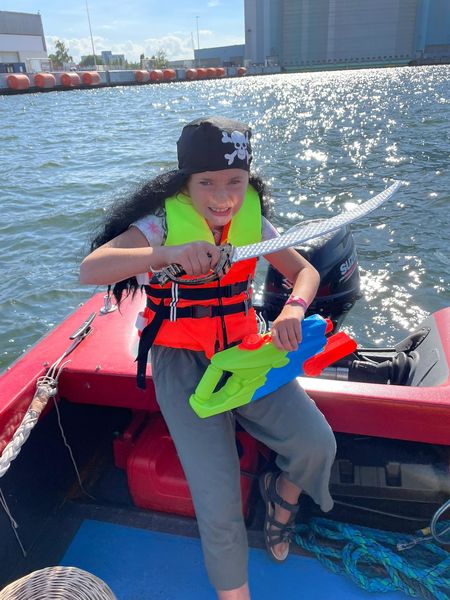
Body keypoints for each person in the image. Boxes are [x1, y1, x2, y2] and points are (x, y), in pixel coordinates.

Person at [80, 116, 336, 600]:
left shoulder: (254, 222)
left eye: (235, 181)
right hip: (182, 363)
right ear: (186, 181)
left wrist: (294, 308)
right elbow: (92, 269)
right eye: (207, 184)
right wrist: (167, 253)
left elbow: (304, 272)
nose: (224, 198)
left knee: (316, 443)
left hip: (244, 353)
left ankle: (281, 499)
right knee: (218, 500)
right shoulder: (158, 224)